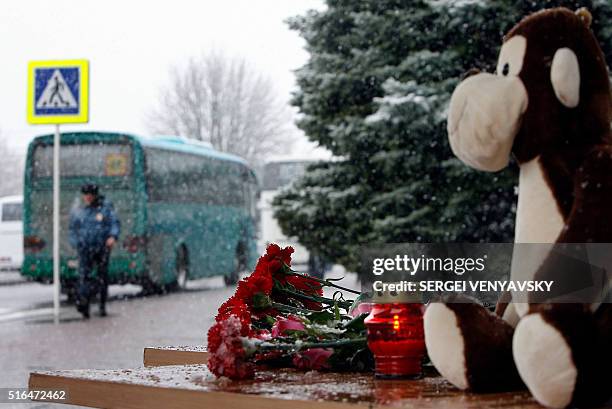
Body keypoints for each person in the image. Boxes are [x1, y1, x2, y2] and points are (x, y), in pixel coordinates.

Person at [69, 184, 120, 318]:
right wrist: (75, 242)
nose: (88, 198)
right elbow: (73, 228)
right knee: (84, 276)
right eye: (86, 195)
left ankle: (101, 304)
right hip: (85, 248)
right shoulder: (79, 210)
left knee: (102, 276)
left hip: (102, 247)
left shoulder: (105, 208)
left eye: (90, 195)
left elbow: (114, 223)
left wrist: (112, 236)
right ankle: (84, 304)